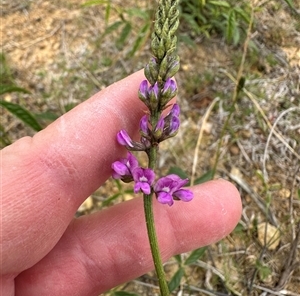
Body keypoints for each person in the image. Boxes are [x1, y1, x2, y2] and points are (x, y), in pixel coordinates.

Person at [1, 70, 242, 296]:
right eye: (139, 179)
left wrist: (160, 186)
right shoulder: (142, 177)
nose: (142, 183)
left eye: (141, 179)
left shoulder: (154, 182)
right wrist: (138, 175)